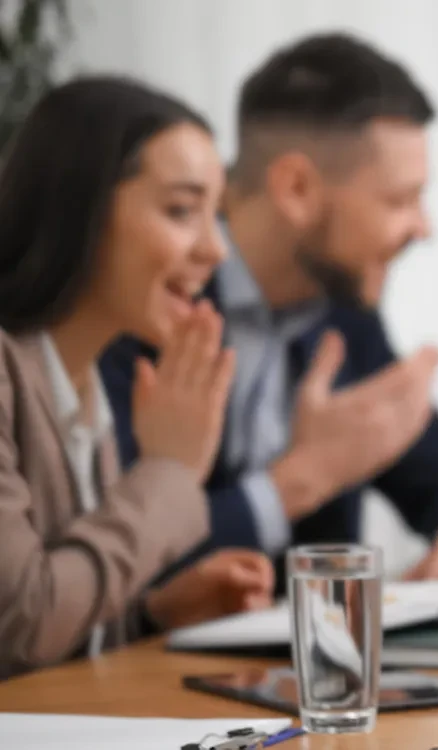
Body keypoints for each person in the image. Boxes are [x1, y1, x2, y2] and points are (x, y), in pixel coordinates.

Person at [100, 33, 438, 585]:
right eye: (399, 199)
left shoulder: (344, 315)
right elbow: (111, 562)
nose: (424, 228)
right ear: (296, 188)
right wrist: (302, 478)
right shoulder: (144, 304)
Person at [0, 77, 274, 679]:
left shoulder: (81, 380)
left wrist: (151, 615)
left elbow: (47, 630)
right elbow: (19, 625)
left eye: (215, 215)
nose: (216, 250)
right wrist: (169, 473)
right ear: (79, 208)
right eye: (181, 210)